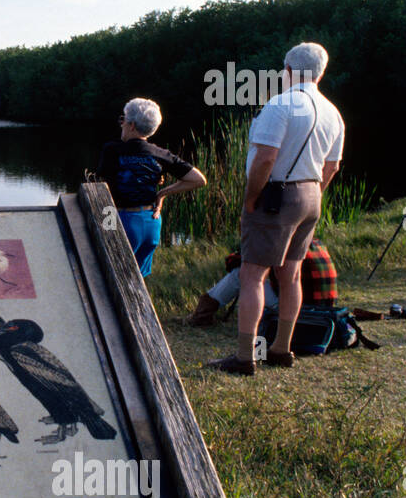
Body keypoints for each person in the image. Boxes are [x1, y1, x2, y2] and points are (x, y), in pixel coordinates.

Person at [212, 42, 345, 374]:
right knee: (292, 274)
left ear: (287, 70)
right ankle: (281, 349)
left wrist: (250, 198)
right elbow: (332, 168)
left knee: (252, 275)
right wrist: (311, 193)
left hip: (276, 196)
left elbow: (265, 158)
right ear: (321, 71)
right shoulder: (333, 112)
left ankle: (245, 357)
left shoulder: (280, 104)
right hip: (312, 194)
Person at [97, 98, 207, 277]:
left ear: (131, 125)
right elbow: (198, 179)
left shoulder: (111, 150)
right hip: (151, 221)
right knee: (138, 280)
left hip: (118, 219)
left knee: (107, 277)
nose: (121, 124)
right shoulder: (160, 154)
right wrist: (162, 193)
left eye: (123, 119)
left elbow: (99, 183)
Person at [187, 237, 337, 326]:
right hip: (324, 308)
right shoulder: (314, 242)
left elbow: (237, 262)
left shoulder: (280, 243)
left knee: (241, 274)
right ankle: (204, 312)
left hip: (298, 310)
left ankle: (202, 314)